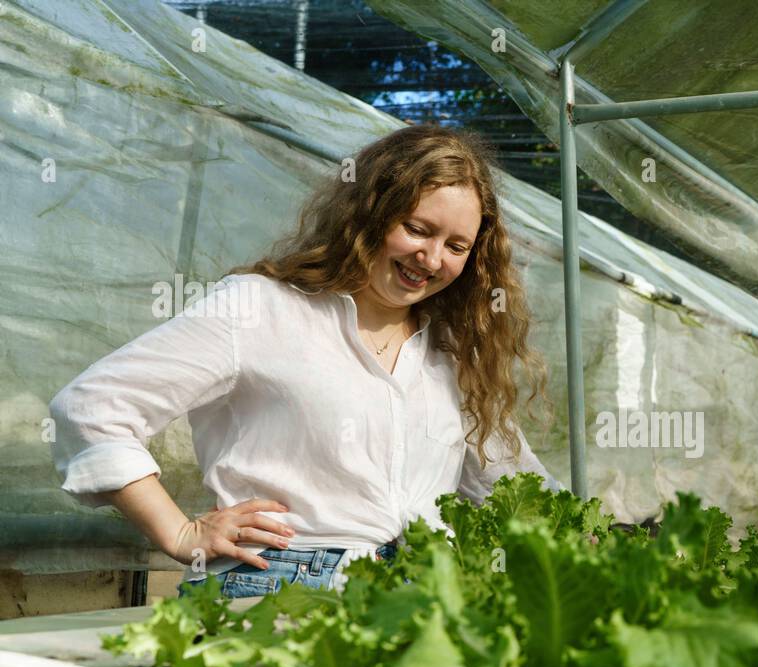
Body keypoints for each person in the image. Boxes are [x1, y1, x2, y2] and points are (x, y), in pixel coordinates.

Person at [49, 125, 563, 599]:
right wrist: (181, 532)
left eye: (456, 246)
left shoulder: (452, 353)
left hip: (418, 592)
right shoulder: (260, 308)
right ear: (369, 212)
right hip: (278, 580)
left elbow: (516, 488)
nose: (431, 259)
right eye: (417, 229)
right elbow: (91, 408)